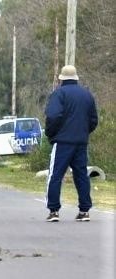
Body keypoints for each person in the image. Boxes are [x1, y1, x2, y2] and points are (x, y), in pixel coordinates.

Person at [44, 65, 99, 222]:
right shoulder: (87, 95)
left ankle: (54, 211)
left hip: (62, 141)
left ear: (61, 79)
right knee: (81, 175)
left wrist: (51, 133)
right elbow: (93, 120)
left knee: (55, 175)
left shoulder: (59, 94)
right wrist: (84, 132)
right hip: (81, 142)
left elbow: (53, 116)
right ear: (76, 78)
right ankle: (84, 210)